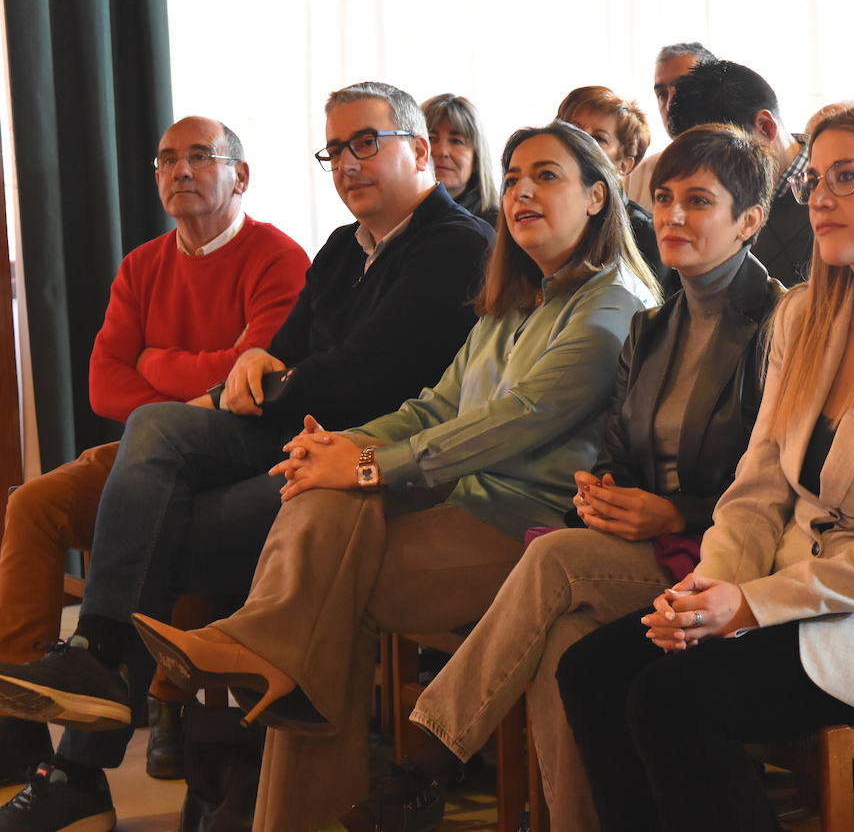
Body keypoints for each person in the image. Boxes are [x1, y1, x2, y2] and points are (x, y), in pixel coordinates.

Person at [132, 121, 660, 831]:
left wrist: (369, 462)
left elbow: (512, 420)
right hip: (464, 506)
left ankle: (265, 671)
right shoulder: (522, 295)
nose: (522, 191)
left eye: (547, 176)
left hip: (531, 527)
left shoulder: (610, 304)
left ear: (598, 197)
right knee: (323, 507)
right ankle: (262, 646)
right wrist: (339, 447)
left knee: (318, 607)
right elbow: (435, 406)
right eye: (514, 177)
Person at [0, 81, 493, 831]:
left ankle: (86, 756)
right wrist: (250, 365)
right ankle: (100, 654)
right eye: (336, 149)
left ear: (418, 150)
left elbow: (365, 376)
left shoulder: (454, 244)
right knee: (157, 430)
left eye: (368, 143)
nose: (349, 163)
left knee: (164, 523)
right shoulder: (341, 246)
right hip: (286, 432)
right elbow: (268, 354)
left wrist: (254, 375)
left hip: (360, 458)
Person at [557, 103, 854, 832]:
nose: (818, 197)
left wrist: (747, 607)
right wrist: (712, 585)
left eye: (847, 177)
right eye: (812, 179)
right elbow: (757, 491)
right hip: (797, 596)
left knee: (670, 698)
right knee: (591, 671)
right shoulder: (805, 315)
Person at [370, 122, 784, 832]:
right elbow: (621, 447)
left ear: (749, 221)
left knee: (553, 557)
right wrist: (609, 490)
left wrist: (673, 512)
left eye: (700, 202)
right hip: (648, 548)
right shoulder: (653, 326)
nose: (675, 217)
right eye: (666, 198)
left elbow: (777, 479)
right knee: (565, 645)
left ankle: (429, 757)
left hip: (736, 559)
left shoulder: (778, 322)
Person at [0, 116, 309, 784]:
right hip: (155, 446)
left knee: (174, 520)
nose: (181, 171)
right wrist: (199, 382)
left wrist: (157, 363)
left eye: (201, 157)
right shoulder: (141, 265)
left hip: (242, 453)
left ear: (241, 175)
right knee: (33, 504)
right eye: (167, 160)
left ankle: (167, 703)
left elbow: (253, 386)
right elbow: (105, 385)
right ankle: (28, 713)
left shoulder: (279, 258)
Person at [668, 59, 811, 286]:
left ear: (766, 126)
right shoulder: (715, 207)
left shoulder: (834, 196)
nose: (709, 174)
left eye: (719, 155)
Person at [555, 85, 664, 280]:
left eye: (598, 138)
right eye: (573, 129)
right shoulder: (542, 212)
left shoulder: (642, 234)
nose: (581, 141)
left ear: (623, 166)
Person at [625, 41, 717, 206]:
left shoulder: (748, 169)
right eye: (662, 94)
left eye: (683, 89)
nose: (670, 104)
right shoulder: (637, 177)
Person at [421, 93, 499, 225]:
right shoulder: (392, 218)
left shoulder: (496, 228)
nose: (442, 152)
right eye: (431, 138)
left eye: (456, 141)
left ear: (476, 160)